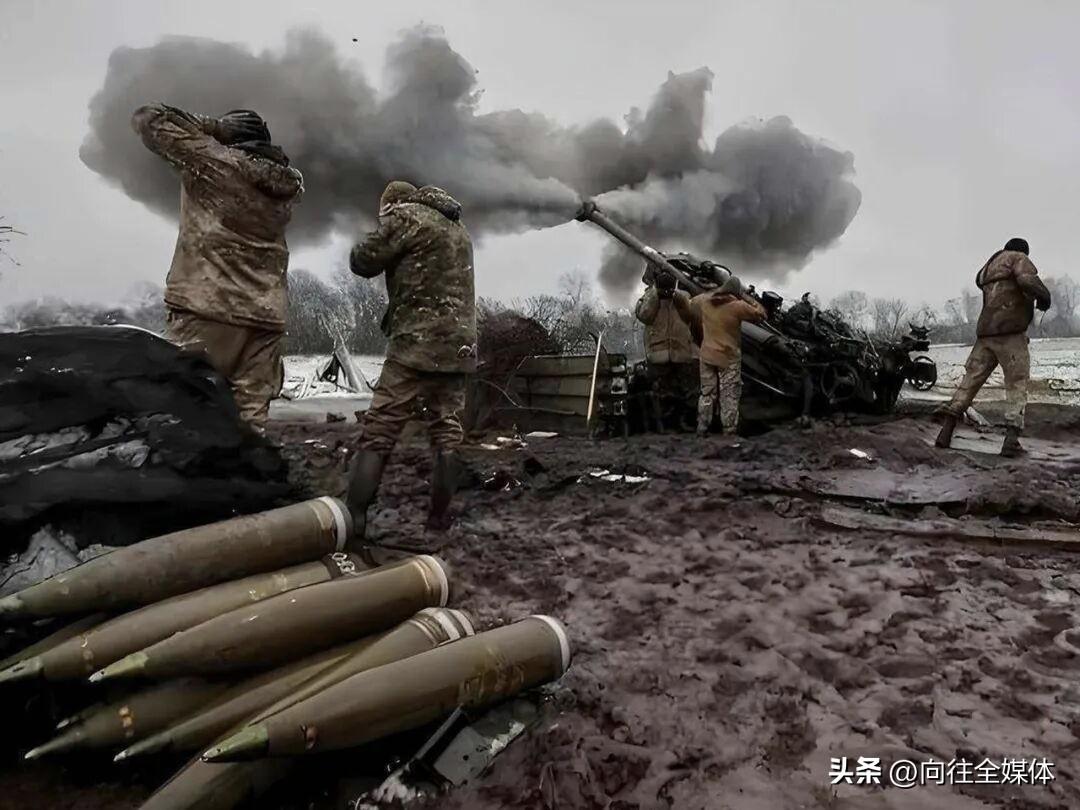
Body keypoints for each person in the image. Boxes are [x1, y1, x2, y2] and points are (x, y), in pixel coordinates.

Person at [131, 103, 304, 425]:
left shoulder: (216, 162)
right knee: (250, 418)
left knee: (185, 410)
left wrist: (214, 128)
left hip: (209, 305)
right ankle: (246, 459)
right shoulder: (284, 185)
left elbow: (149, 117)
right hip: (266, 314)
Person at [345, 181, 477, 544]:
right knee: (447, 432)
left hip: (416, 343)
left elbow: (362, 261)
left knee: (380, 428)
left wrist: (381, 226)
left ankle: (354, 517)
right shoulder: (458, 228)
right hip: (459, 346)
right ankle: (439, 519)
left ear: (392, 205)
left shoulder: (406, 217)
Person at [936, 238, 1051, 457]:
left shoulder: (989, 266)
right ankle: (1011, 441)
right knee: (1016, 385)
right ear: (1022, 252)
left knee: (968, 384)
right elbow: (1027, 280)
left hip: (985, 335)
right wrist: (1045, 297)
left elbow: (979, 281)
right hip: (1011, 334)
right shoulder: (1018, 258)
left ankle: (945, 432)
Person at [675, 277, 766, 436]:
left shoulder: (705, 301)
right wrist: (748, 298)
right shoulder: (737, 306)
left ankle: (702, 427)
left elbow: (689, 305)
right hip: (728, 357)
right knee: (729, 394)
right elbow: (761, 314)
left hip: (707, 355)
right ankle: (729, 431)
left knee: (707, 393)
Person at [633, 269, 697, 430]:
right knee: (674, 392)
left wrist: (655, 294)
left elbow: (643, 315)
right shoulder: (681, 298)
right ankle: (677, 423)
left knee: (669, 391)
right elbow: (692, 314)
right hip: (675, 353)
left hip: (663, 353)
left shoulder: (656, 299)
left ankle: (670, 423)